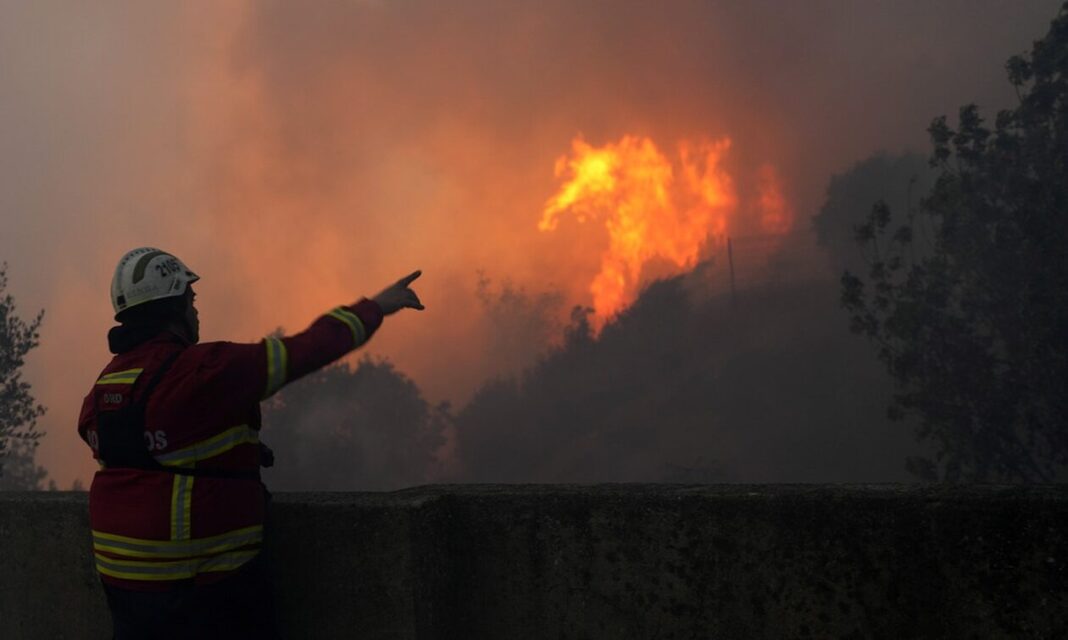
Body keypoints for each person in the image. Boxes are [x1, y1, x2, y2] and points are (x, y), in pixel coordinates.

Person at [77, 247, 423, 639]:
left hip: (128, 601)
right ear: (174, 308)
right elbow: (307, 349)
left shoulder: (105, 388)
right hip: (207, 598)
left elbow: (160, 449)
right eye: (190, 300)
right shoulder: (207, 372)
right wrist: (377, 306)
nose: (196, 311)